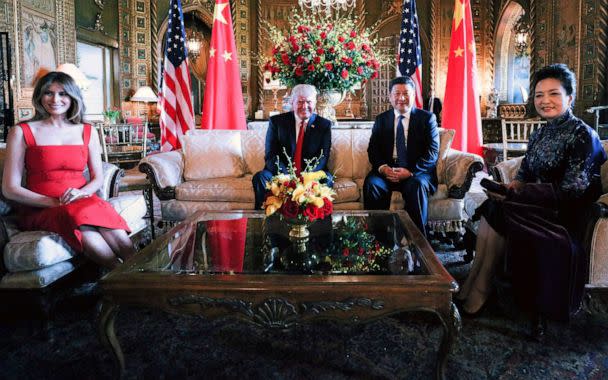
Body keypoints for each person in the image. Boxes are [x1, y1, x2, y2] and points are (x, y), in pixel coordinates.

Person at [457, 64, 607, 336]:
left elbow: (572, 192)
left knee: (502, 211)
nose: (545, 101)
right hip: (535, 206)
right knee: (494, 205)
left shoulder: (583, 135)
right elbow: (525, 172)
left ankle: (481, 288)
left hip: (564, 216)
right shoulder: (540, 132)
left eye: (553, 94)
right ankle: (474, 280)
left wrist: (518, 193)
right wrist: (512, 186)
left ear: (569, 97)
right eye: (539, 95)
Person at [2, 71, 135, 269]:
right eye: (48, 93)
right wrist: (52, 202)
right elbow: (10, 188)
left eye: (63, 93)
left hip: (81, 200)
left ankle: (142, 273)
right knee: (79, 216)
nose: (55, 99)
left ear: (73, 97)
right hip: (40, 207)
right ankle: (120, 275)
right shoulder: (21, 131)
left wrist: (81, 193)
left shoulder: (88, 131)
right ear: (39, 96)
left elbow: (97, 178)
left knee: (99, 218)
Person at [363, 76, 439, 237]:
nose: (401, 98)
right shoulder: (382, 119)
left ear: (414, 94)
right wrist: (383, 169)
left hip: (415, 172)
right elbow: (373, 150)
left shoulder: (427, 119)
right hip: (387, 172)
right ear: (390, 97)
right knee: (372, 184)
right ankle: (379, 241)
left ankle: (418, 242)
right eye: (397, 93)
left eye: (406, 93)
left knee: (417, 186)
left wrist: (410, 171)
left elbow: (432, 153)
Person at [252, 84, 332, 209]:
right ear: (292, 102)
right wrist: (288, 178)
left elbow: (323, 157)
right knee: (261, 177)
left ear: (315, 102)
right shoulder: (277, 122)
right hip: (281, 174)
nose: (304, 106)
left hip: (311, 175)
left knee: (327, 179)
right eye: (300, 102)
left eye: (309, 102)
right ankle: (263, 223)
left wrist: (306, 178)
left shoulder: (323, 125)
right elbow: (271, 155)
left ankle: (321, 225)